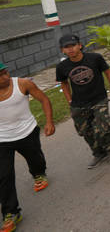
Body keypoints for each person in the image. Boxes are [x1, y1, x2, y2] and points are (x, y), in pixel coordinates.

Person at [0, 62, 55, 232]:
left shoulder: (23, 84)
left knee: (35, 159)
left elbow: (44, 99)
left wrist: (49, 122)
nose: (6, 77)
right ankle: (11, 212)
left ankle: (39, 174)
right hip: (3, 139)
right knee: (4, 175)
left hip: (27, 132)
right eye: (0, 75)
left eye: (6, 72)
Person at [55, 34, 110, 168]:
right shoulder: (61, 67)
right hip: (78, 104)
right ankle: (98, 153)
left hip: (98, 99)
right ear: (62, 50)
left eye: (73, 45)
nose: (70, 49)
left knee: (102, 127)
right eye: (66, 47)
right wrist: (69, 100)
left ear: (79, 45)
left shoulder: (95, 58)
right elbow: (64, 83)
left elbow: (108, 73)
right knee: (85, 131)